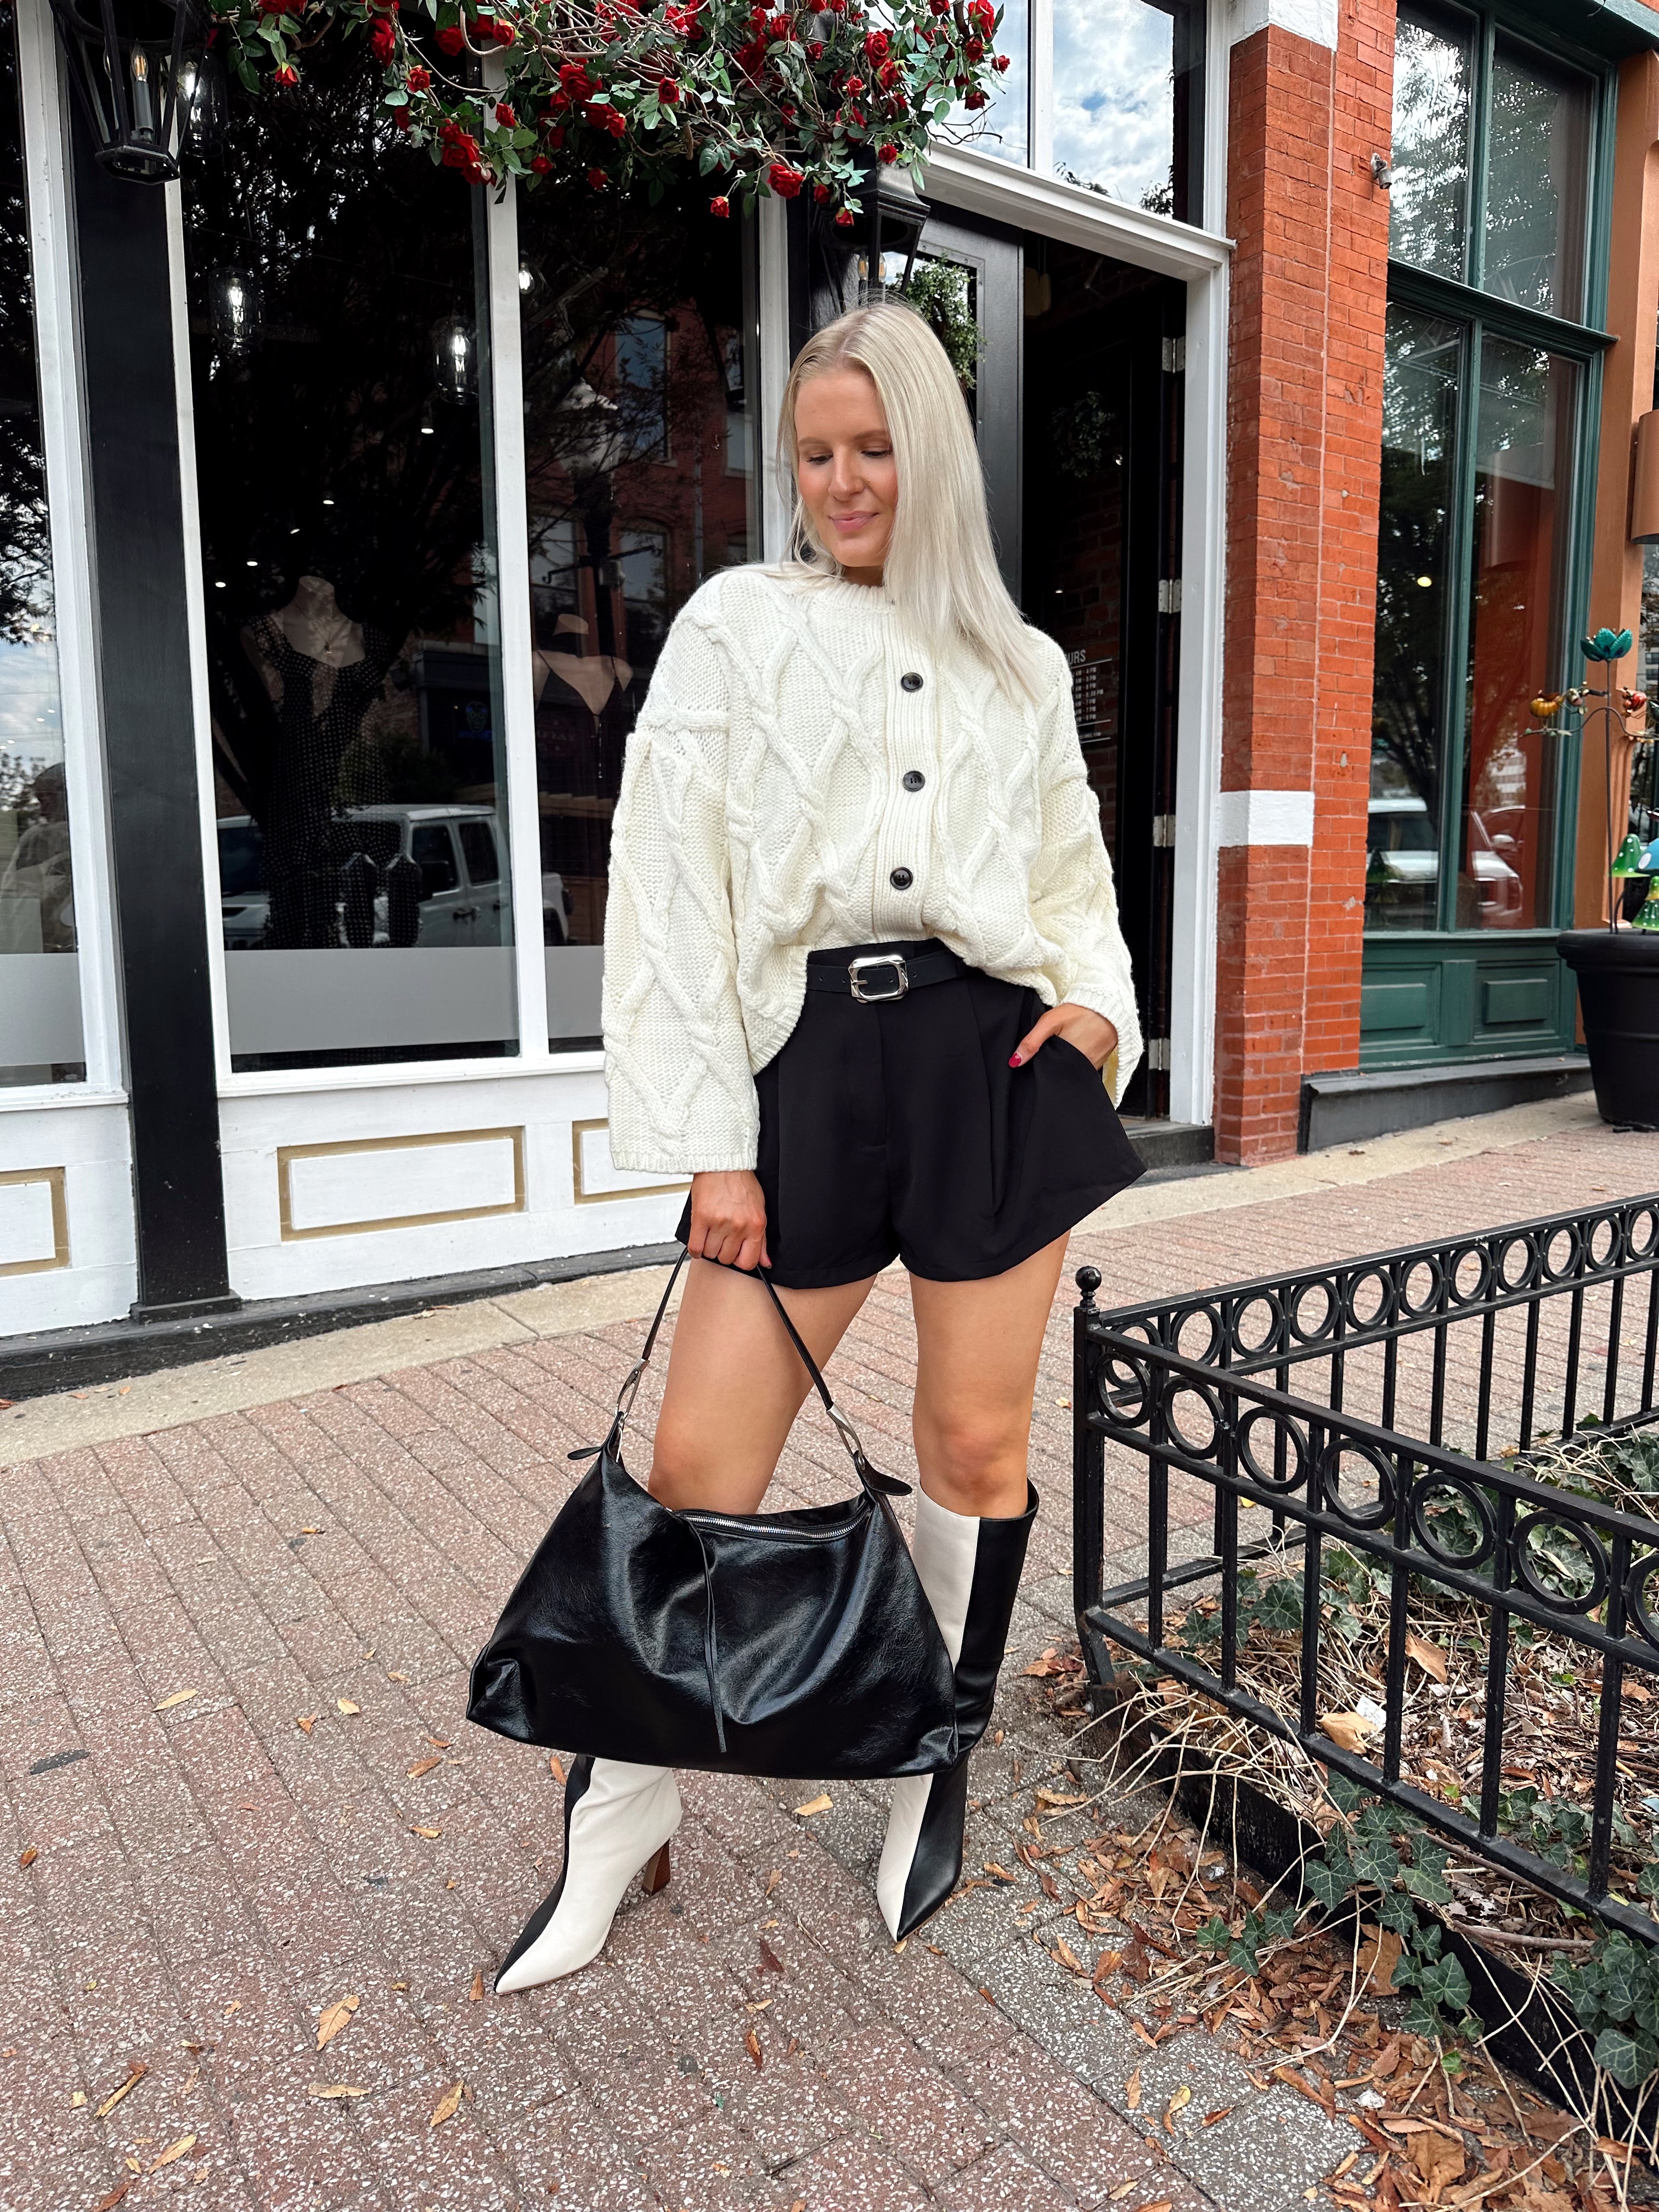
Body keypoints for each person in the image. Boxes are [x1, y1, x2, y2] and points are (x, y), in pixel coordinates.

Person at [494, 301, 1145, 1995]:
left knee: (973, 1440)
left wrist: (1094, 1012)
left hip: (993, 1069)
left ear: (928, 454)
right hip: (808, 1074)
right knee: (702, 1457)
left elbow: (1074, 884)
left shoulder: (1022, 661)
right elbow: (667, 892)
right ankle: (617, 1823)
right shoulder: (734, 627)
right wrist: (717, 1141)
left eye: (873, 450)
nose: (843, 482)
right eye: (816, 455)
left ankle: (935, 1766)